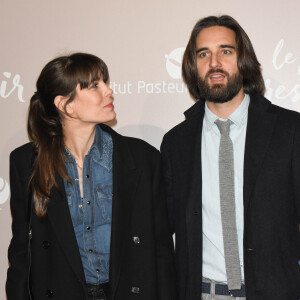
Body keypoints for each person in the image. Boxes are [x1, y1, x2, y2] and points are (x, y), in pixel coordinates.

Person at [6, 53, 176, 300]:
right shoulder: (26, 162)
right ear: (66, 105)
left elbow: (160, 249)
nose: (109, 91)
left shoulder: (142, 158)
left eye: (105, 82)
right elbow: (22, 251)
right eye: (95, 85)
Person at [161, 15, 300, 300]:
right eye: (203, 54)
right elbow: (161, 233)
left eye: (225, 51)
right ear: (192, 65)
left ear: (243, 60)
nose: (214, 63)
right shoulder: (176, 143)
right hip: (202, 293)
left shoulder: (291, 130)